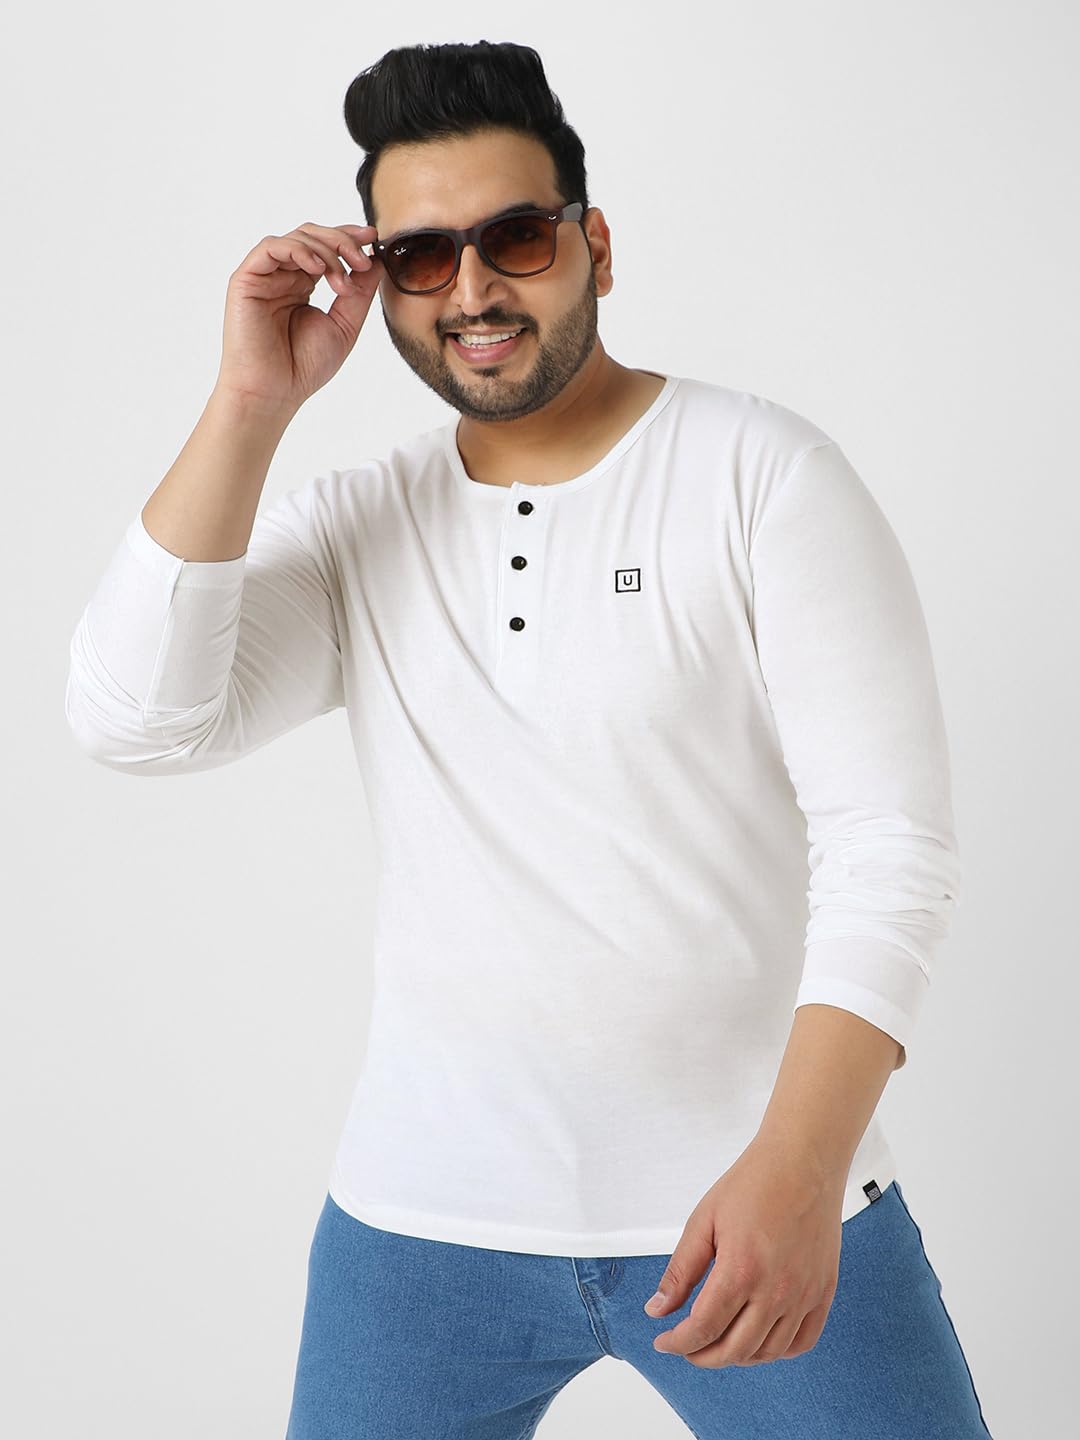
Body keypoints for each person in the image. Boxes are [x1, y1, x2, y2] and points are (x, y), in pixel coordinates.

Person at [65, 38, 993, 1440]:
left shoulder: (763, 478)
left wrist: (802, 1170)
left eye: (513, 236)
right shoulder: (362, 522)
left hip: (761, 1202)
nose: (473, 288)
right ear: (381, 282)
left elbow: (891, 850)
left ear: (592, 244)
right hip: (419, 1234)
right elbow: (135, 719)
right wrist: (253, 402)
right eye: (421, 256)